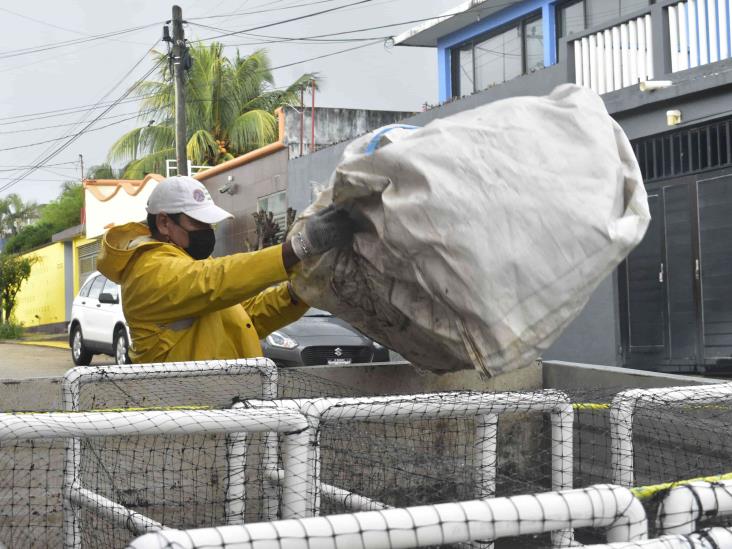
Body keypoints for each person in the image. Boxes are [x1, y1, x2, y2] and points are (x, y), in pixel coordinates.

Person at [97, 175, 353, 364]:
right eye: (198, 223)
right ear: (164, 222)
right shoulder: (147, 271)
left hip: (223, 412)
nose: (207, 232)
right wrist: (299, 248)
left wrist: (299, 294)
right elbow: (215, 280)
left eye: (210, 224)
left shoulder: (191, 264)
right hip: (182, 420)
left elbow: (248, 317)